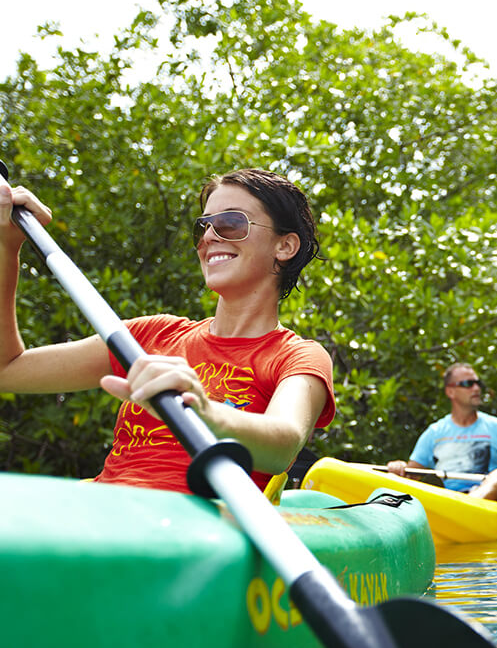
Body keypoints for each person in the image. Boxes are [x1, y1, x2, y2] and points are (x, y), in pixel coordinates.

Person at [0, 168, 336, 494]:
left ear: (285, 246)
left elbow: (283, 445)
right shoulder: (150, 336)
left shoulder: (297, 356)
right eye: (203, 226)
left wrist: (201, 410)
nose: (208, 237)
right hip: (105, 513)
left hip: (191, 534)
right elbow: (7, 370)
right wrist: (6, 249)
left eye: (231, 224)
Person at [387, 362, 497, 502]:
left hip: (487, 502)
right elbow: (411, 475)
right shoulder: (434, 432)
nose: (477, 388)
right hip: (446, 499)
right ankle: (459, 508)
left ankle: (469, 505)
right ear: (450, 391)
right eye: (468, 384)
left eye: (478, 383)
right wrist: (399, 467)